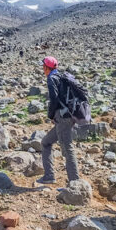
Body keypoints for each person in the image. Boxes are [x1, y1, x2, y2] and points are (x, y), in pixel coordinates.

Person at [37, 56, 81, 185]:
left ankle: (75, 184)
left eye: (43, 66)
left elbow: (54, 100)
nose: (42, 69)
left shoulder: (51, 79)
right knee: (45, 142)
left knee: (67, 149)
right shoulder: (62, 76)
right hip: (69, 116)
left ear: (46, 67)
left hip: (62, 118)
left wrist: (51, 115)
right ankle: (49, 176)